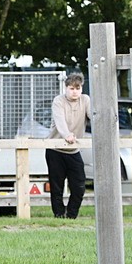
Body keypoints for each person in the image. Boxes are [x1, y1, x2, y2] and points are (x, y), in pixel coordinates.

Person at [46, 73, 91, 219]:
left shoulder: (85, 100)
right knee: (57, 186)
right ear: (66, 88)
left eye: (77, 88)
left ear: (81, 88)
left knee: (79, 185)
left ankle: (71, 215)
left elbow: (93, 116)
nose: (75, 92)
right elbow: (59, 121)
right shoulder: (58, 101)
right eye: (71, 88)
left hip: (73, 151)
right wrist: (67, 135)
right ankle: (59, 215)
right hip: (55, 149)